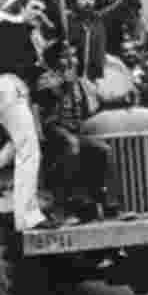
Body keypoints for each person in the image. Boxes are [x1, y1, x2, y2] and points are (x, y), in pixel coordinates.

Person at [0, 0, 61, 231]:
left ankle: (26, 211)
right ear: (21, 8)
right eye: (34, 8)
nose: (39, 14)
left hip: (19, 91)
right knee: (28, 151)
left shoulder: (30, 36)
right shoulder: (9, 26)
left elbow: (55, 42)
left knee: (29, 150)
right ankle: (27, 216)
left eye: (42, 10)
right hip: (8, 87)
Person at [37, 43, 121, 223]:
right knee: (72, 144)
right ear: (55, 60)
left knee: (104, 149)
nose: (71, 60)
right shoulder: (47, 78)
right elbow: (49, 97)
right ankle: (74, 202)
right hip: (53, 132)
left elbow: (92, 103)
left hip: (75, 131)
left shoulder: (78, 81)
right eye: (65, 56)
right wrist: (65, 83)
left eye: (73, 55)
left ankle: (110, 204)